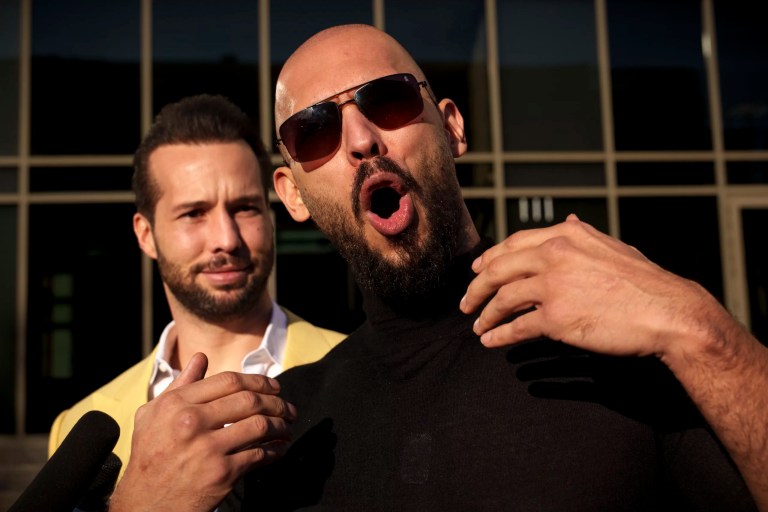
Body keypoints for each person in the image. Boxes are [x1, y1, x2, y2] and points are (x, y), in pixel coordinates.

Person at [109, 25, 768, 511]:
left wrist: (702, 331)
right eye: (316, 130)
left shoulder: (608, 341)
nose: (361, 140)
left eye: (388, 100)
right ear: (293, 195)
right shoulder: (284, 424)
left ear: (452, 128)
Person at [47, 94, 346, 484]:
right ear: (146, 235)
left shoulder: (361, 372)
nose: (226, 239)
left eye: (245, 208)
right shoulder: (76, 431)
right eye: (193, 213)